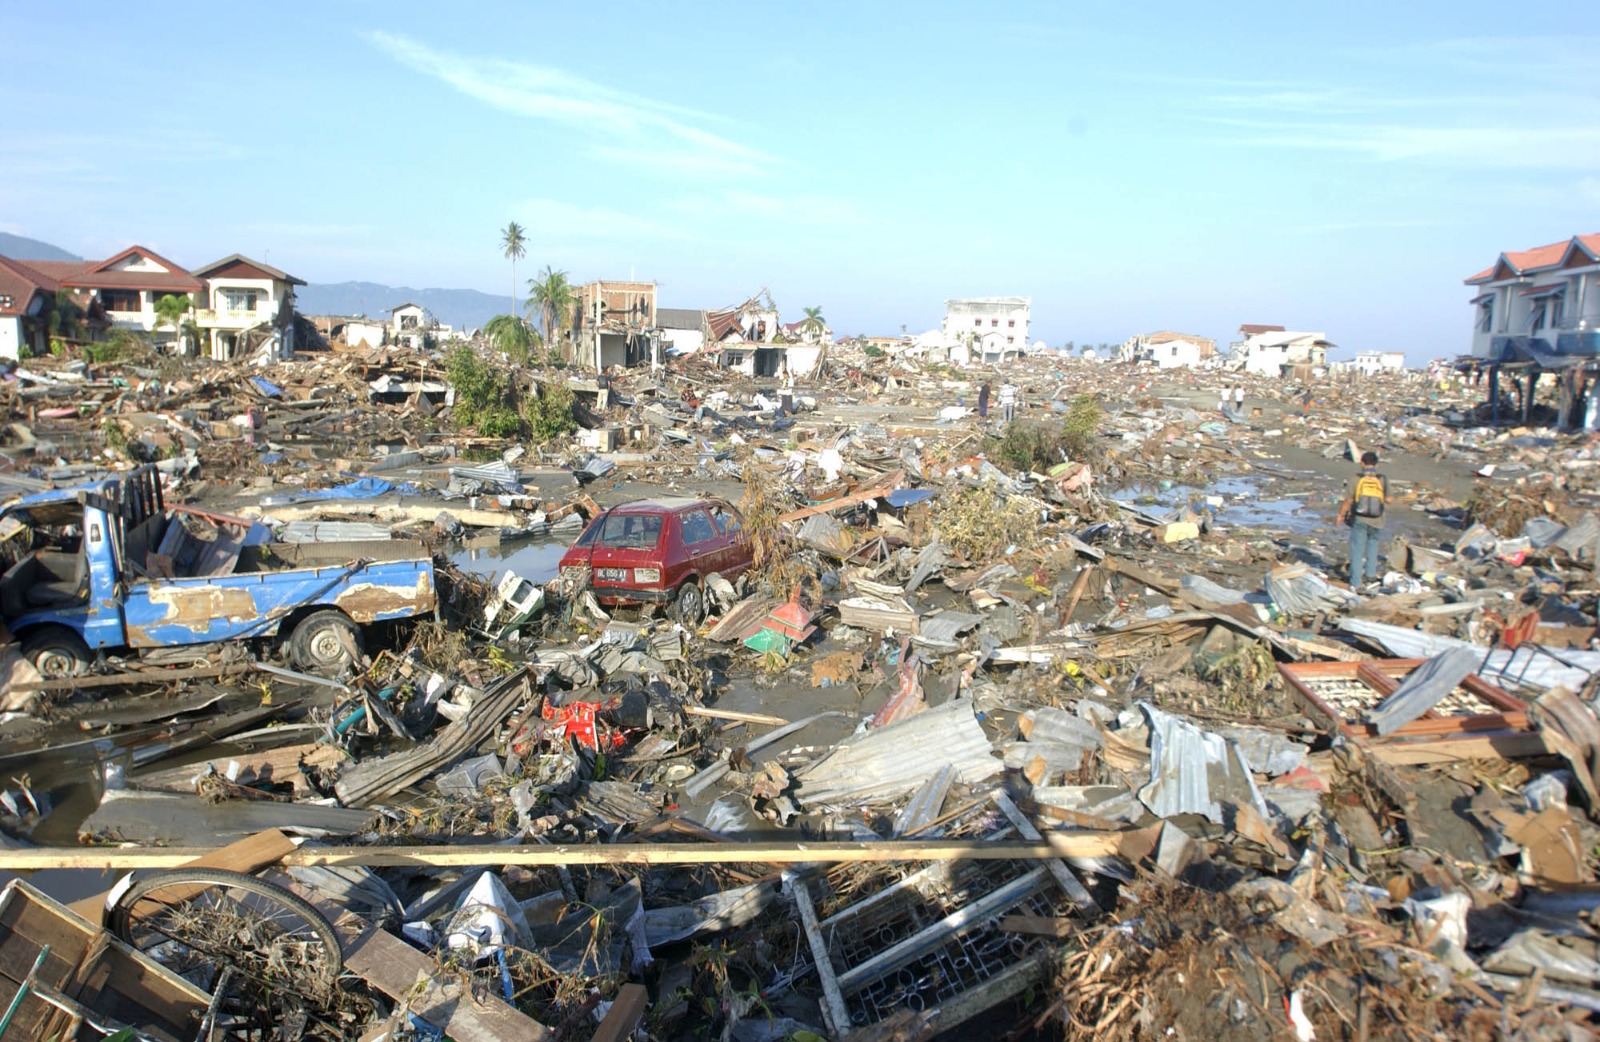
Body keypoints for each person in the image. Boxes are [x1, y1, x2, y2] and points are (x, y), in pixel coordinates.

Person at [1338, 450, 1388, 590]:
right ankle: (1371, 577)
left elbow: (1348, 500)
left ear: (1362, 463)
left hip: (1359, 518)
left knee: (1357, 550)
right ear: (1377, 464)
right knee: (1373, 546)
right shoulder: (1382, 479)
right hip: (1378, 519)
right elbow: (1389, 499)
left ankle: (1356, 582)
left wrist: (1340, 515)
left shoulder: (1356, 478)